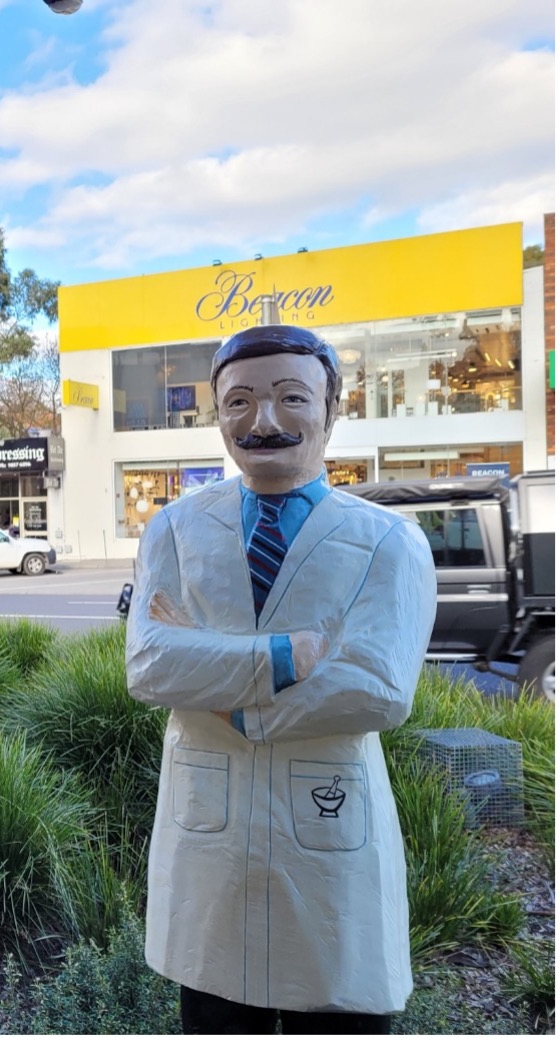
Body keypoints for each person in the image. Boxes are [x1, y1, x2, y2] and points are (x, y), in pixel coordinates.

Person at [125, 325, 436, 1035]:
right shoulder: (172, 530)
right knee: (214, 1007)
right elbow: (150, 664)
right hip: (210, 823)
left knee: (336, 1004)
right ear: (216, 415)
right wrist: (287, 657)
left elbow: (378, 686)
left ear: (332, 409)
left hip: (326, 819)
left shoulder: (390, 542)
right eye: (239, 402)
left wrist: (227, 694)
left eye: (291, 397)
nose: (263, 422)